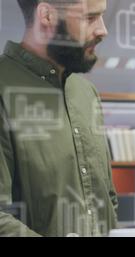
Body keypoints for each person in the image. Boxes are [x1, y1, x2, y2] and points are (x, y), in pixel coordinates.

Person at [0, 0, 117, 236]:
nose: (103, 30)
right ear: (47, 16)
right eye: (90, 18)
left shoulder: (86, 93)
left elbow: (107, 198)